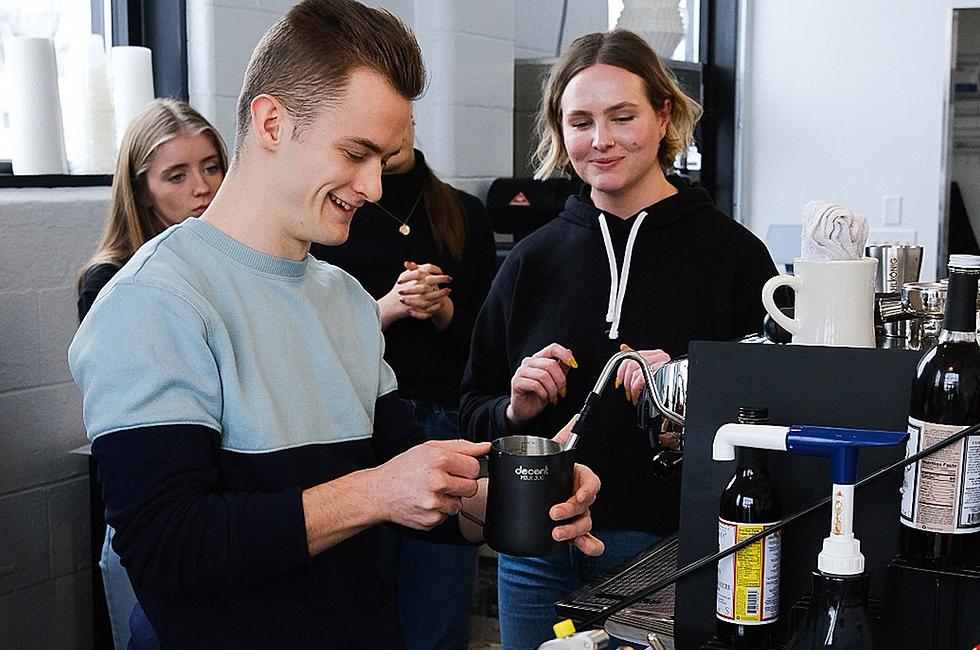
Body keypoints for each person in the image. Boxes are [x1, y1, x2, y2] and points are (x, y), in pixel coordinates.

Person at [68, 2, 602, 648]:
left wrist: (523, 503)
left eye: (384, 157)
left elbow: (415, 493)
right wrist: (373, 493)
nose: (374, 186)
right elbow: (169, 546)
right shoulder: (153, 301)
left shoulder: (345, 300)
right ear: (271, 122)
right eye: (355, 153)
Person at [460, 29, 779, 649]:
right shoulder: (530, 261)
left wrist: (687, 396)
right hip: (534, 550)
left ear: (664, 115)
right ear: (560, 132)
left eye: (622, 116)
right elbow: (473, 414)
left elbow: (774, 425)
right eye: (580, 122)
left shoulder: (735, 257)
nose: (601, 140)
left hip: (670, 551)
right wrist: (514, 410)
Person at [309, 118, 497, 649]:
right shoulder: (338, 209)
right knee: (367, 602)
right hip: (361, 422)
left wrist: (442, 309)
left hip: (441, 416)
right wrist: (386, 309)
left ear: (410, 120)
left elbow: (486, 343)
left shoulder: (463, 213)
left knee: (437, 611)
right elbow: (319, 334)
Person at [75, 97, 227, 650]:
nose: (202, 187)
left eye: (212, 166)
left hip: (220, 514)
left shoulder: (226, 265)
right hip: (154, 519)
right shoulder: (115, 280)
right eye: (178, 175)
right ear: (141, 189)